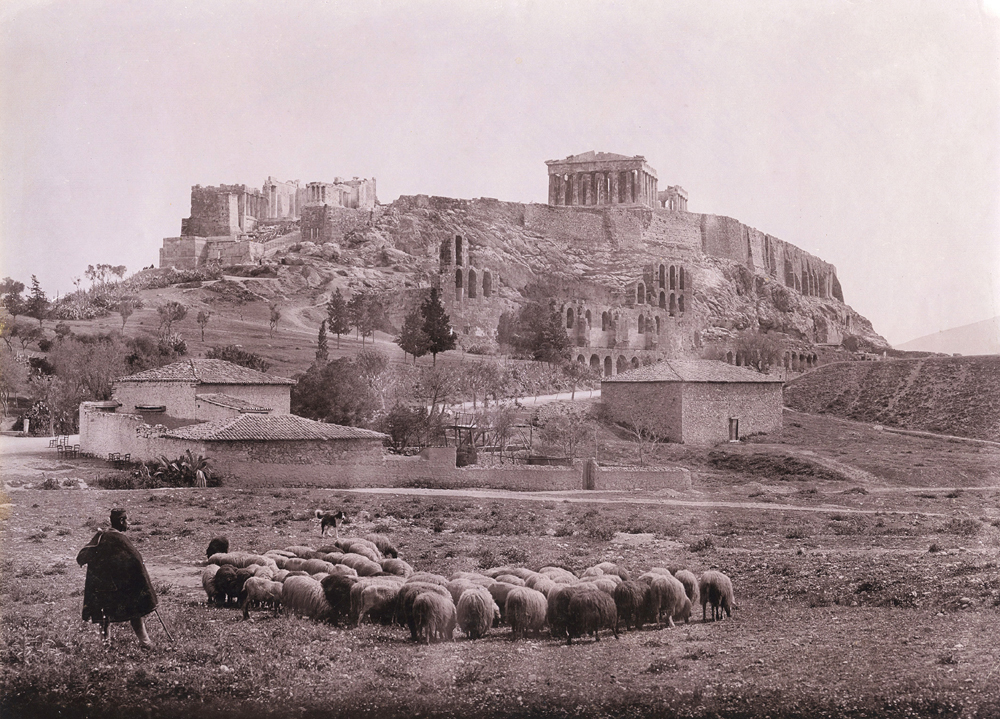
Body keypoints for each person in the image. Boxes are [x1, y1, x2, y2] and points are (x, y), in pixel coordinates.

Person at [76, 508, 158, 647]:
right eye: (127, 520)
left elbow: (82, 558)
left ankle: (105, 643)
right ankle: (145, 641)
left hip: (103, 585)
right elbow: (136, 561)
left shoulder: (101, 536)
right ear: (121, 521)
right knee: (135, 609)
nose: (129, 523)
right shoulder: (120, 539)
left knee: (104, 613)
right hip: (121, 585)